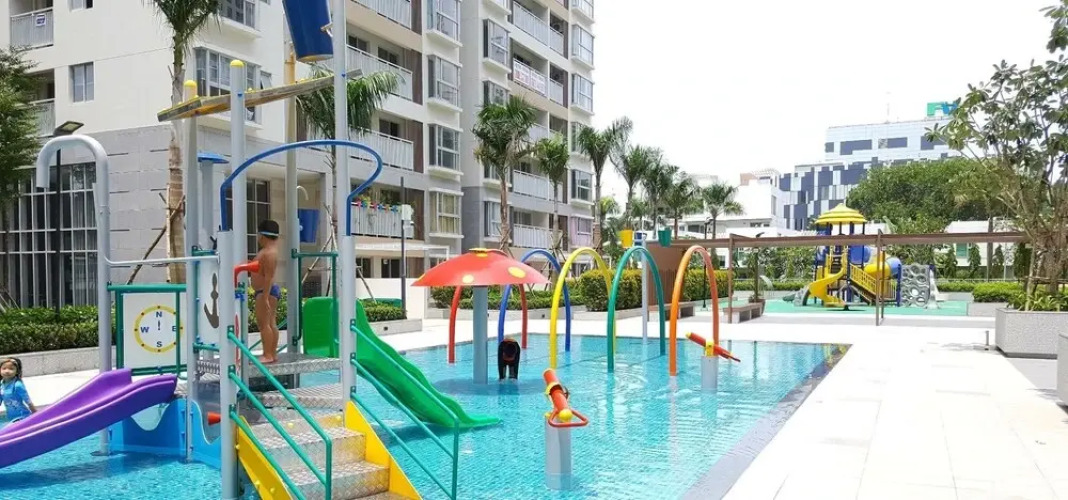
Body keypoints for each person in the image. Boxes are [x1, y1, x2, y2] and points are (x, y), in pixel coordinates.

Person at [252, 219, 282, 364]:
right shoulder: (269, 252)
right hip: (268, 291)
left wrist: (264, 297)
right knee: (270, 323)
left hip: (266, 291)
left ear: (262, 236)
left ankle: (268, 354)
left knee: (264, 324)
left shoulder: (268, 253)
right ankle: (272, 353)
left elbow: (269, 277)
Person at [1, 358, 35, 422]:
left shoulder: (17, 385)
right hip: (10, 417)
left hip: (22, 416)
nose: (7, 371)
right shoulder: (1, 384)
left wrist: (35, 414)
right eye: (4, 368)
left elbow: (28, 401)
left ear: (17, 371)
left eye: (11, 369)